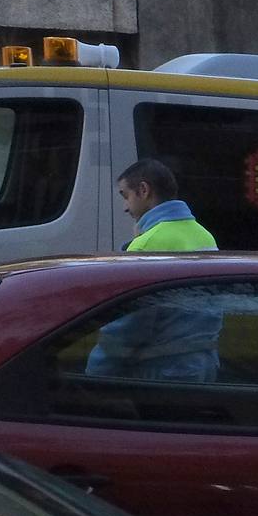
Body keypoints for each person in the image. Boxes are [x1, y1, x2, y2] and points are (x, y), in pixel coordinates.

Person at [85, 160, 223, 381]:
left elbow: (127, 325)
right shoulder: (204, 235)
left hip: (162, 373)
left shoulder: (146, 244)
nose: (125, 207)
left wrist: (95, 373)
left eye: (125, 195)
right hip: (203, 367)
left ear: (143, 190)